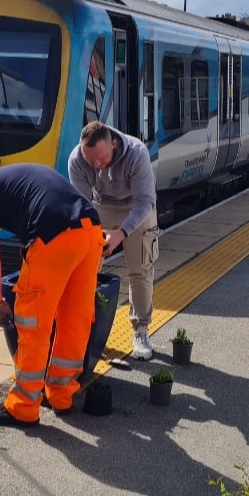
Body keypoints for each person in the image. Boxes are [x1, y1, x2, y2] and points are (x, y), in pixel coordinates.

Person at [0, 164, 105, 426]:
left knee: (32, 322)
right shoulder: (22, 177)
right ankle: (61, 394)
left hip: (55, 236)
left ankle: (23, 406)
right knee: (74, 318)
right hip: (91, 232)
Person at [68, 121, 159, 360]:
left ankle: (141, 330)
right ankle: (86, 326)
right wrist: (93, 232)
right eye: (91, 161)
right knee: (86, 266)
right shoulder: (77, 159)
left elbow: (144, 203)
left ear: (114, 144)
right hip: (100, 206)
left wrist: (120, 233)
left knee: (140, 269)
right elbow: (82, 205)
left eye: (102, 159)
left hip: (136, 206)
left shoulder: (137, 154)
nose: (97, 167)